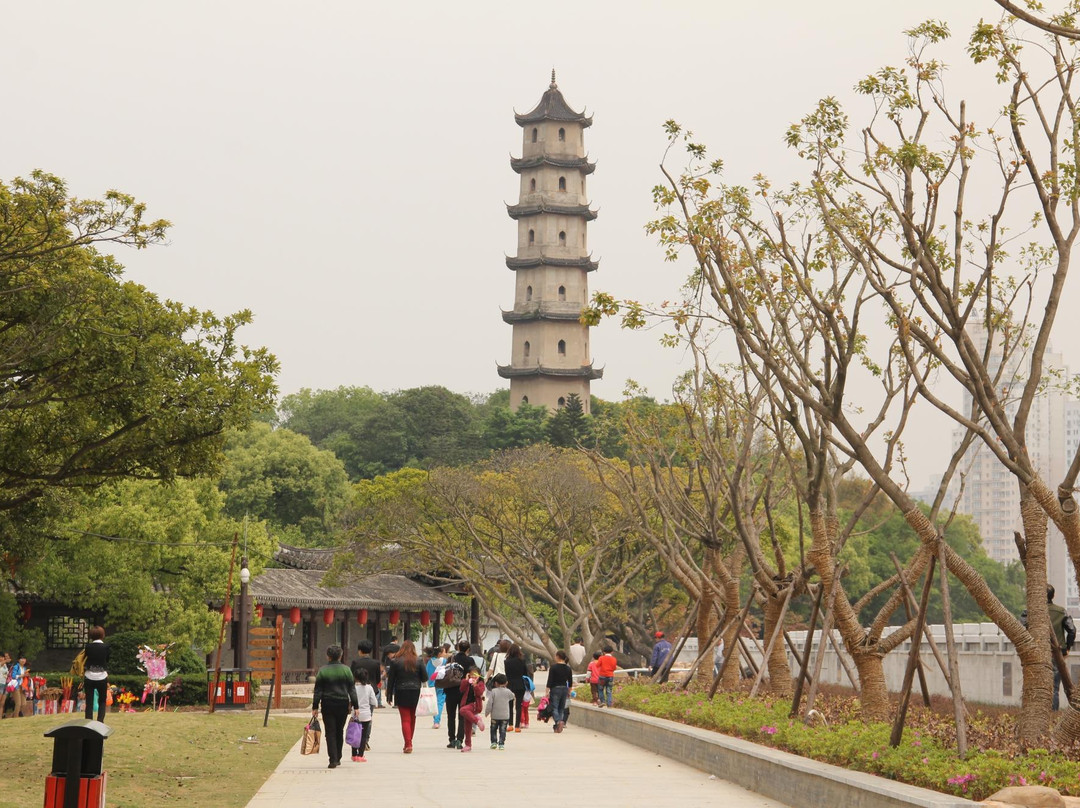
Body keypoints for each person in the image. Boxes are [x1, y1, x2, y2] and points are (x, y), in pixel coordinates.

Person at [312, 644, 361, 769]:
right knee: (339, 730)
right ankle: (338, 756)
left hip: (328, 704)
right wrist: (356, 706)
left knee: (330, 732)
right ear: (340, 656)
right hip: (343, 704)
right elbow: (352, 690)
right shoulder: (346, 670)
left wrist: (315, 707)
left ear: (328, 656)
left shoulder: (323, 671)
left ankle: (332, 759)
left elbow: (318, 691)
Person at [385, 639, 425, 753]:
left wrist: (389, 695)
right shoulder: (419, 661)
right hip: (415, 691)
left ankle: (408, 744)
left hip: (401, 691)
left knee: (405, 719)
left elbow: (391, 680)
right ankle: (409, 742)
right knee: (413, 718)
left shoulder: (395, 661)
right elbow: (425, 678)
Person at [1049, 585, 1076, 710]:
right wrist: (1067, 648)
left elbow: (1022, 626)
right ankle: (1053, 716)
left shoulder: (1031, 612)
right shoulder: (1061, 611)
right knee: (1054, 687)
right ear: (1053, 596)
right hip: (1056, 653)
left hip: (1036, 653)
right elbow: (1071, 630)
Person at [445, 640, 473, 749]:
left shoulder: (451, 659)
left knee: (451, 716)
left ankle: (451, 739)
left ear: (458, 648)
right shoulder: (470, 660)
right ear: (468, 649)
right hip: (464, 691)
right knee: (462, 717)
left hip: (450, 690)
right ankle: (460, 740)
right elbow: (474, 674)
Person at [83, 626, 111, 723]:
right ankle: (100, 721)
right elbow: (107, 660)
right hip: (102, 676)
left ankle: (88, 722)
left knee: (89, 701)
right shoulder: (106, 647)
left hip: (89, 676)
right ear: (102, 635)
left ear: (91, 636)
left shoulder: (88, 647)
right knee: (102, 701)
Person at [350, 667, 378, 762]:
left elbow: (350, 700)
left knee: (355, 735)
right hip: (366, 715)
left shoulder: (353, 688)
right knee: (363, 736)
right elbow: (374, 701)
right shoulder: (369, 688)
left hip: (355, 714)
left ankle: (354, 755)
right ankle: (360, 755)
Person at [457, 666, 486, 752]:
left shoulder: (480, 683)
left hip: (474, 705)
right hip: (466, 705)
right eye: (471, 674)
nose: (473, 676)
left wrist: (475, 685)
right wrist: (466, 680)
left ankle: (477, 721)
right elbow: (461, 689)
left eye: (475, 675)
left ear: (479, 675)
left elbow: (479, 693)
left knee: (462, 710)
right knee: (467, 726)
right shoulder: (466, 682)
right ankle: (468, 744)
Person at [503, 643, 530, 732]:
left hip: (510, 684)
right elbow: (525, 674)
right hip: (520, 684)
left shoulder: (506, 661)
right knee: (519, 706)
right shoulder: (522, 661)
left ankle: (510, 725)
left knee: (509, 705)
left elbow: (507, 674)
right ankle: (517, 726)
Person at [484, 673, 515, 749]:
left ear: (495, 683)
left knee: (493, 729)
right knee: (503, 730)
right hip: (505, 715)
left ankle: (494, 742)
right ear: (506, 683)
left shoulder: (493, 692)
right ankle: (501, 743)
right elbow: (513, 696)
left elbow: (489, 703)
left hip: (495, 715)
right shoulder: (508, 691)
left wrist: (487, 712)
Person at [546, 650, 574, 733]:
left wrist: (547, 691)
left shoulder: (553, 667)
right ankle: (558, 725)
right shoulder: (568, 668)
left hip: (555, 689)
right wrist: (569, 691)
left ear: (558, 656)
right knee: (561, 708)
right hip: (564, 689)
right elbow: (570, 681)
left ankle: (558, 721)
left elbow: (550, 680)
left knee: (554, 707)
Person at [352, 640, 384, 711]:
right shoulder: (376, 663)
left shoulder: (355, 663)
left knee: (357, 711)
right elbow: (378, 679)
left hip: (358, 690)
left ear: (360, 651)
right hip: (372, 689)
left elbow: (352, 677)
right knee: (369, 712)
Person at [0, 652, 9, 719]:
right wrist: (6, 660)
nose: (1, 658)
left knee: (2, 703)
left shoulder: (5, 665)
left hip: (5, 684)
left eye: (2, 657)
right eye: (0, 657)